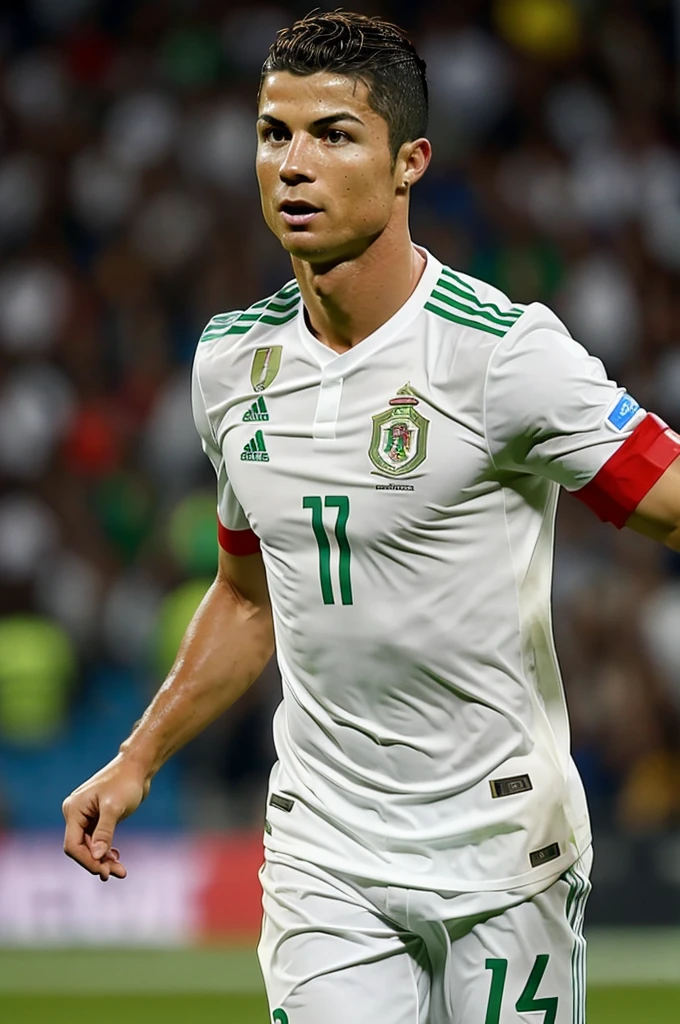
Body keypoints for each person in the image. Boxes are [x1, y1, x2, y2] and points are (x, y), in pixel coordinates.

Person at [62, 11, 680, 1023]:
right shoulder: (229, 364)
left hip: (502, 853)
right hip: (324, 854)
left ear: (408, 164)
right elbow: (245, 596)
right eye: (274, 134)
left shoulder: (502, 355)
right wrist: (136, 759)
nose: (293, 164)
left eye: (333, 134)